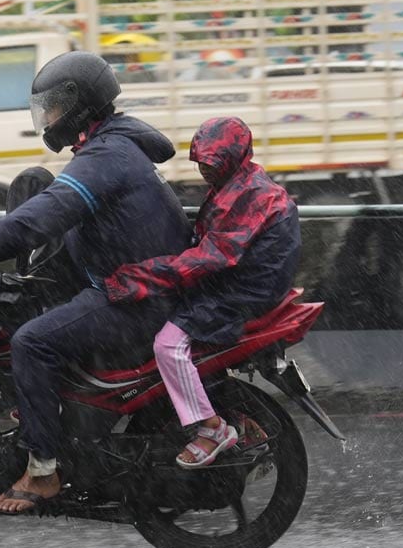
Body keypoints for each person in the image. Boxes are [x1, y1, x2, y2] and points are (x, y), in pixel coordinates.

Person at [0, 51, 190, 515]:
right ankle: (49, 422)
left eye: (54, 107)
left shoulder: (106, 155)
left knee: (32, 343)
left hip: (135, 297)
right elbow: (49, 205)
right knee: (32, 189)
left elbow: (52, 210)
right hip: (130, 282)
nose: (48, 118)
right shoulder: (111, 146)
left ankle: (42, 470)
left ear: (80, 105)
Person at [104, 116, 301, 468]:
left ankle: (212, 429)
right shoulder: (238, 182)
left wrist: (141, 276)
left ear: (232, 157)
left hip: (241, 292)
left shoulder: (249, 195)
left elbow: (211, 258)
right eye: (201, 163)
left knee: (168, 344)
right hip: (239, 281)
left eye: (212, 163)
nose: (205, 170)